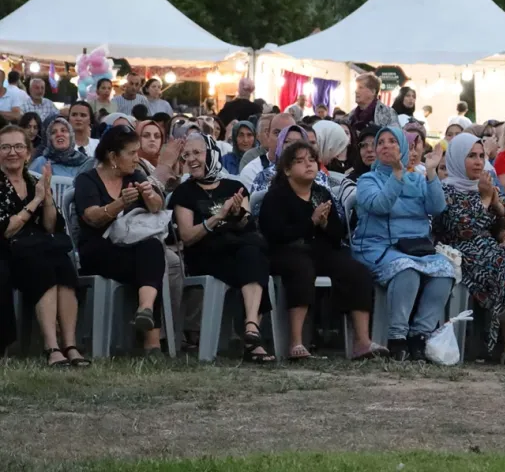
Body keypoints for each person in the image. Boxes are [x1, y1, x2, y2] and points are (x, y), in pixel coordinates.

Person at [262, 139, 384, 361]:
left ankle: (362, 342)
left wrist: (326, 224)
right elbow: (275, 234)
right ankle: (296, 342)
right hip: (285, 252)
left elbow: (338, 235)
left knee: (357, 272)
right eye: (300, 161)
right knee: (302, 269)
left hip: (319, 252)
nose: (308, 164)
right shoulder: (277, 196)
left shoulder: (321, 193)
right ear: (287, 170)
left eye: (312, 160)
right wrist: (311, 221)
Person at [436, 133, 505, 368]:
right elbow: (463, 229)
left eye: (482, 156)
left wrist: (496, 203)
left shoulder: (485, 186)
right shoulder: (445, 191)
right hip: (462, 253)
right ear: (456, 159)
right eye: (471, 156)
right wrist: (484, 199)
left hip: (492, 250)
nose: (478, 162)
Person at [170, 132, 275, 363]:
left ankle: (251, 327)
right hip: (205, 255)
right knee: (255, 257)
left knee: (252, 253)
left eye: (197, 152)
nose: (191, 159)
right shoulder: (184, 193)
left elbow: (247, 223)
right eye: (186, 155)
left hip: (238, 250)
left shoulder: (234, 186)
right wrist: (218, 216)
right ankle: (252, 335)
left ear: (212, 153)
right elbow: (187, 237)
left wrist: (236, 214)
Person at [74, 126, 168, 355]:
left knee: (153, 248)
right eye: (132, 153)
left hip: (129, 246)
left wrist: (150, 196)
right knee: (150, 266)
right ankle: (152, 343)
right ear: (113, 156)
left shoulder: (134, 176)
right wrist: (120, 204)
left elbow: (157, 207)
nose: (137, 158)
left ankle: (145, 310)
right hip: (97, 249)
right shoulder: (87, 180)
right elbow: (92, 217)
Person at [0, 128, 85, 366]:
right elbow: (6, 230)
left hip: (38, 246)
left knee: (63, 266)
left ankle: (70, 345)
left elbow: (50, 226)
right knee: (43, 265)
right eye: (5, 147)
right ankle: (51, 346)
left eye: (18, 147)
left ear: (28, 153)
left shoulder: (34, 181)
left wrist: (46, 197)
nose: (12, 152)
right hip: (8, 250)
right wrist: (36, 200)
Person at [238, 113, 295, 190]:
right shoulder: (252, 171)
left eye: (289, 133)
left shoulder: (307, 169)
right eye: (277, 133)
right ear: (268, 135)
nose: (283, 139)